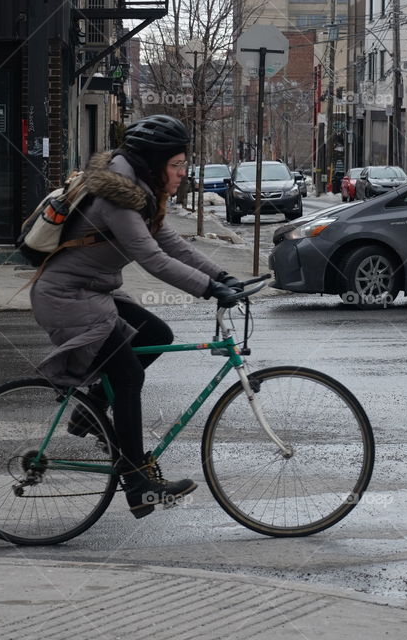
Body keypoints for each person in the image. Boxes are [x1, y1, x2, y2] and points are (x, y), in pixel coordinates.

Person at [30, 114, 241, 519]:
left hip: (92, 289)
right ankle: (139, 483)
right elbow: (153, 259)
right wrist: (209, 289)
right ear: (154, 162)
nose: (183, 173)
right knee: (128, 375)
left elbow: (170, 242)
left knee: (154, 332)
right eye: (177, 165)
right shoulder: (118, 198)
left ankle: (88, 410)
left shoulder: (138, 190)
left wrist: (222, 275)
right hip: (67, 297)